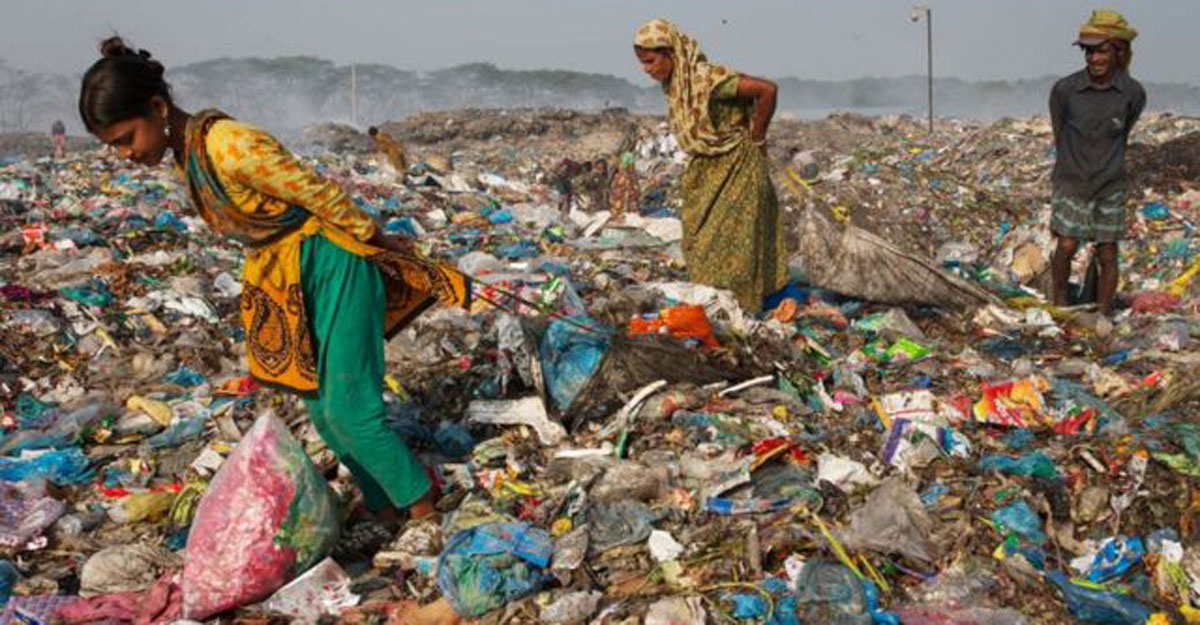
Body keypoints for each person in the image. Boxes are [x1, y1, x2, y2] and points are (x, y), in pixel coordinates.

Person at [79, 35, 472, 561]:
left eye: (127, 138)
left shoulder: (228, 144)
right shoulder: (186, 156)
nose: (126, 154)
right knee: (322, 410)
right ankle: (383, 506)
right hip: (284, 275)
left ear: (156, 107)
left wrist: (384, 242)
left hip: (332, 263)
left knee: (352, 409)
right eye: (114, 148)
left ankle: (424, 509)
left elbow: (318, 193)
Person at [634, 18, 786, 313]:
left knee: (736, 239)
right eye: (642, 63)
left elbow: (767, 90)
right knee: (698, 237)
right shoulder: (678, 86)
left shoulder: (709, 81)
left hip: (737, 165)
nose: (647, 69)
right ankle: (716, 300)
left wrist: (757, 136)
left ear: (671, 52)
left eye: (651, 61)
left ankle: (741, 305)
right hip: (706, 168)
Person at [1049, 10, 1145, 315]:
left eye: (1101, 50)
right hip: (1072, 180)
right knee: (1065, 246)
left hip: (1110, 184)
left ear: (1118, 51)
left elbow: (1122, 133)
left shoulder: (1132, 93)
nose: (1093, 59)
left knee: (1107, 252)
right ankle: (1060, 305)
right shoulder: (1066, 90)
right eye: (1088, 51)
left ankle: (1103, 316)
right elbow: (1059, 133)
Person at [609, 151, 639, 223]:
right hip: (620, 205)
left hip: (629, 204)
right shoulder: (620, 176)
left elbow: (636, 190)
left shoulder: (632, 176)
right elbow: (615, 191)